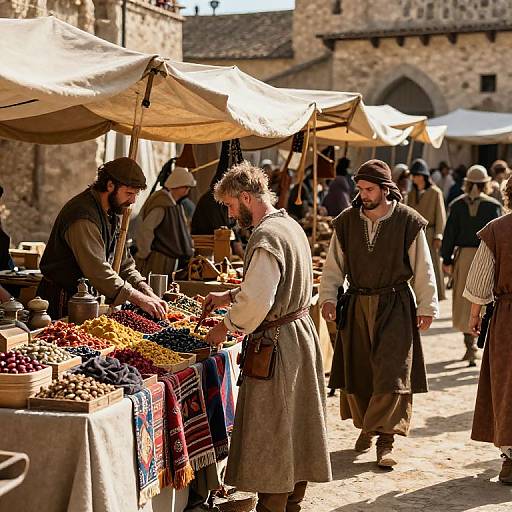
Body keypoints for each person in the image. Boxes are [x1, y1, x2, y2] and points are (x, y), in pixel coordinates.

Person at [203, 161, 331, 511]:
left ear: (247, 197)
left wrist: (226, 325)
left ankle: (274, 506)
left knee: (275, 429)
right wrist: (229, 296)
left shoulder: (267, 235)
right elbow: (275, 283)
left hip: (278, 345)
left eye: (231, 205)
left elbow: (260, 299)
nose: (231, 214)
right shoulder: (289, 225)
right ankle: (292, 503)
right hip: (299, 334)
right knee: (295, 425)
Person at [319, 159, 438, 468]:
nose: (363, 195)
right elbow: (333, 266)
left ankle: (385, 439)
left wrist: (427, 307)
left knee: (392, 371)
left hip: (395, 304)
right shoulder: (346, 222)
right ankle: (367, 426)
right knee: (359, 371)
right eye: (360, 189)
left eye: (369, 189)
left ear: (385, 189)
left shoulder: (408, 221)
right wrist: (328, 298)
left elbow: (423, 268)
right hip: (357, 303)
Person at [38, 158, 167, 319]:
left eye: (136, 194)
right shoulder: (82, 216)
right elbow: (98, 270)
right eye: (129, 193)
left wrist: (144, 289)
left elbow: (124, 265)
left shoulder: (112, 213)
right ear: (110, 185)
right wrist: (140, 299)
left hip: (86, 298)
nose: (133, 200)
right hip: (63, 300)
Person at [464, 177, 512, 484]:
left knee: (508, 384)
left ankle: (510, 458)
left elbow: (480, 280)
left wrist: (474, 315)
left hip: (508, 319)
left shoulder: (498, 229)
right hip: (507, 315)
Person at [441, 165, 502, 366]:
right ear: (486, 183)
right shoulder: (493, 205)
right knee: (485, 299)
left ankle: (470, 346)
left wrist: (447, 259)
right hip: (489, 256)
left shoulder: (457, 205)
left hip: (465, 257)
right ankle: (477, 345)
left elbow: (449, 234)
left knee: (465, 300)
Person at [135, 166, 196, 278]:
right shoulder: (161, 203)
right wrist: (144, 254)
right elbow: (146, 230)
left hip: (169, 259)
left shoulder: (173, 203)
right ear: (178, 186)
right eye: (186, 187)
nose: (187, 191)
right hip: (158, 260)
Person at [407, 159, 447, 301]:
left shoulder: (436, 192)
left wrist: (438, 235)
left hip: (430, 233)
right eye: (413, 175)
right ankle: (416, 295)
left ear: (423, 176)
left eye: (417, 175)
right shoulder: (411, 194)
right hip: (415, 233)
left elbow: (441, 215)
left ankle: (436, 294)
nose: (415, 178)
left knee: (432, 264)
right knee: (415, 264)